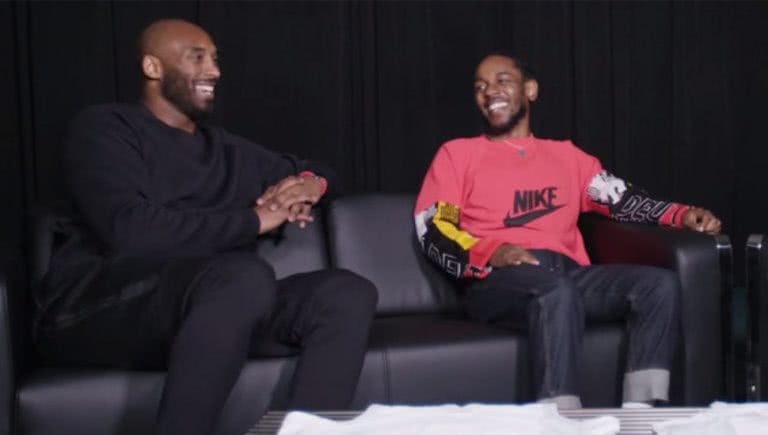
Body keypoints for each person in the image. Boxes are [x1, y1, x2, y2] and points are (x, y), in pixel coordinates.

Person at [34, 19, 378, 435]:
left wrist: (309, 184)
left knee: (345, 293)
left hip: (218, 309)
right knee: (242, 277)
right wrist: (254, 220)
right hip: (101, 307)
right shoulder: (105, 129)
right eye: (197, 57)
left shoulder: (227, 150)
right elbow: (132, 233)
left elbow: (325, 174)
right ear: (153, 67)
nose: (214, 70)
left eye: (215, 59)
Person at [413, 52, 721, 409]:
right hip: (497, 279)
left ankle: (642, 416)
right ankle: (558, 420)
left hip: (568, 274)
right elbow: (434, 225)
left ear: (530, 90)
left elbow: (620, 199)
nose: (489, 91)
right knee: (554, 291)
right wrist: (491, 253)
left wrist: (681, 215)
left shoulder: (568, 157)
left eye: (501, 81)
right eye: (480, 87)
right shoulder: (457, 154)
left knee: (658, 286)